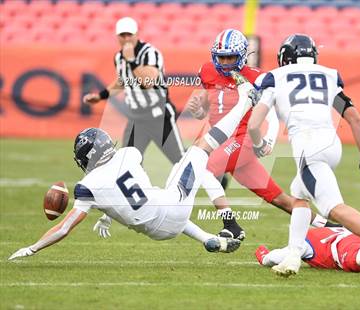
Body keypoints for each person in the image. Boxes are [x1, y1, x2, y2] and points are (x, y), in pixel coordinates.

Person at [7, 72, 260, 261]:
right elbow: (125, 185)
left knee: (170, 187)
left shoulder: (87, 187)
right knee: (201, 147)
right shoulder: (128, 154)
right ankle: (246, 101)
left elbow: (64, 227)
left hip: (158, 232)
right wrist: (106, 213)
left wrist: (32, 248)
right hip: (172, 211)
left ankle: (208, 239)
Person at [247, 34, 360, 276]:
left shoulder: (275, 78)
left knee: (332, 208)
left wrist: (258, 145)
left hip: (310, 149)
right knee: (299, 195)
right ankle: (294, 256)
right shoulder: (329, 75)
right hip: (331, 145)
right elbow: (355, 119)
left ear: (285, 57)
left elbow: (254, 124)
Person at [186, 29, 337, 240]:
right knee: (278, 198)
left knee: (205, 168)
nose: (226, 62)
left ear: (242, 55)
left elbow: (272, 114)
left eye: (231, 57)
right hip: (222, 139)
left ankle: (231, 225)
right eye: (222, 57)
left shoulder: (258, 77)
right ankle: (332, 226)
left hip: (243, 139)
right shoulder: (208, 71)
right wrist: (198, 110)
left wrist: (268, 140)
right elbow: (208, 107)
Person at [83, 17, 185, 165]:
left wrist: (131, 60)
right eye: (122, 35)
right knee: (127, 162)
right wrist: (100, 96)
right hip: (136, 117)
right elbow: (123, 81)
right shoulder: (119, 57)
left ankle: (215, 178)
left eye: (129, 35)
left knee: (179, 161)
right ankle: (140, 188)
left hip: (159, 115)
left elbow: (148, 82)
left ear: (137, 34)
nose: (126, 39)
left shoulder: (150, 53)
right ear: (117, 37)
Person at [255, 189, 360, 272]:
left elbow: (277, 256)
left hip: (348, 249)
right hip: (358, 238)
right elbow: (319, 221)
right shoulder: (321, 230)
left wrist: (263, 255)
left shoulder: (304, 243)